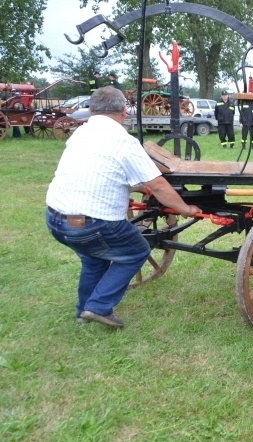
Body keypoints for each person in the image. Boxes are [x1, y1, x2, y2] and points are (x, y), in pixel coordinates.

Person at [44, 86, 201, 327]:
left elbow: (102, 171)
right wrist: (186, 209)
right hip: (91, 223)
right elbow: (158, 185)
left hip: (57, 220)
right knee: (137, 250)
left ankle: (82, 312)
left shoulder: (79, 134)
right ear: (123, 111)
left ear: (92, 110)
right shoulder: (124, 142)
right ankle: (99, 307)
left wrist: (137, 187)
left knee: (93, 259)